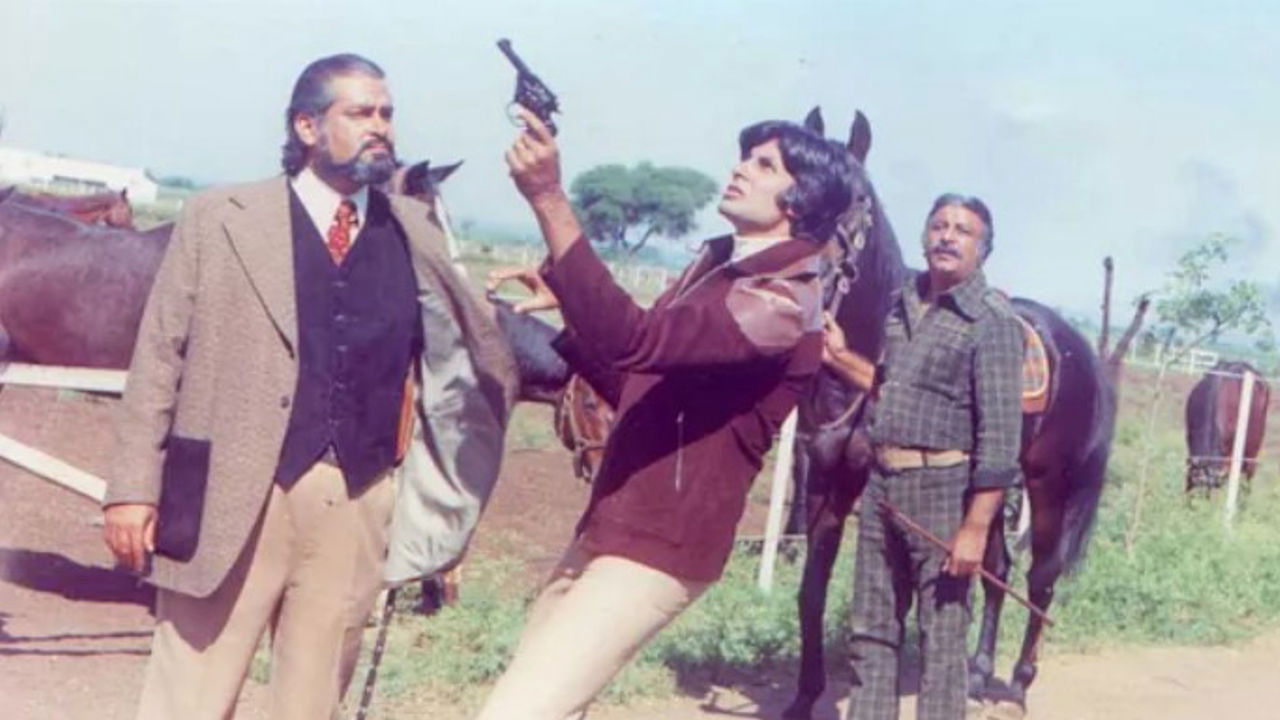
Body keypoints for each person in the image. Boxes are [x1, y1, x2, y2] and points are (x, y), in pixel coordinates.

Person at [102, 53, 515, 720]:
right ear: (306, 126)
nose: (380, 127)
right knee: (189, 698)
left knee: (312, 704)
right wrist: (131, 489)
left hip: (355, 497)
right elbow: (158, 356)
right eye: (360, 113)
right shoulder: (219, 217)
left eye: (386, 113)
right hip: (230, 492)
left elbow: (464, 352)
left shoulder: (414, 231)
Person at [475, 108, 853, 720]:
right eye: (746, 157)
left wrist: (548, 198)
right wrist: (571, 312)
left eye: (765, 165)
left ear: (801, 198)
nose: (740, 169)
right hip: (616, 526)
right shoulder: (725, 267)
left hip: (659, 547)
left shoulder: (781, 300)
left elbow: (637, 341)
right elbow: (636, 383)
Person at [826, 194, 1024, 720]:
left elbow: (1001, 440)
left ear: (983, 249)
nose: (947, 237)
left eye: (962, 231)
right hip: (882, 486)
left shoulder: (992, 321)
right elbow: (890, 387)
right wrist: (840, 355)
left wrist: (975, 530)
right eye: (939, 225)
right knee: (870, 629)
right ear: (924, 236)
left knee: (942, 638)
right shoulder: (902, 304)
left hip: (944, 492)